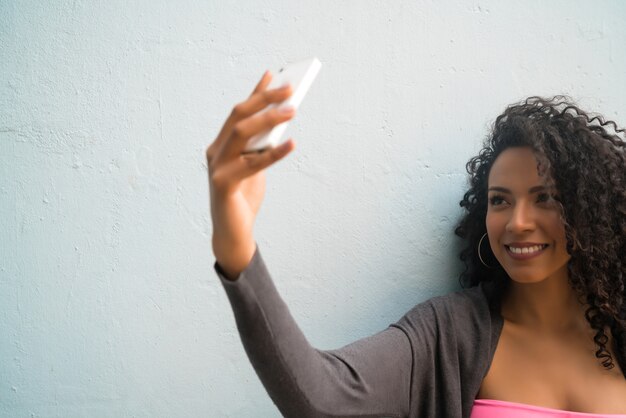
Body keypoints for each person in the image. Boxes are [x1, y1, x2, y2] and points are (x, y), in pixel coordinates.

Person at [207, 71, 626, 417]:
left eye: (544, 198)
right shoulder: (449, 333)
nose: (517, 222)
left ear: (589, 210)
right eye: (500, 200)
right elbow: (322, 398)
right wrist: (236, 244)